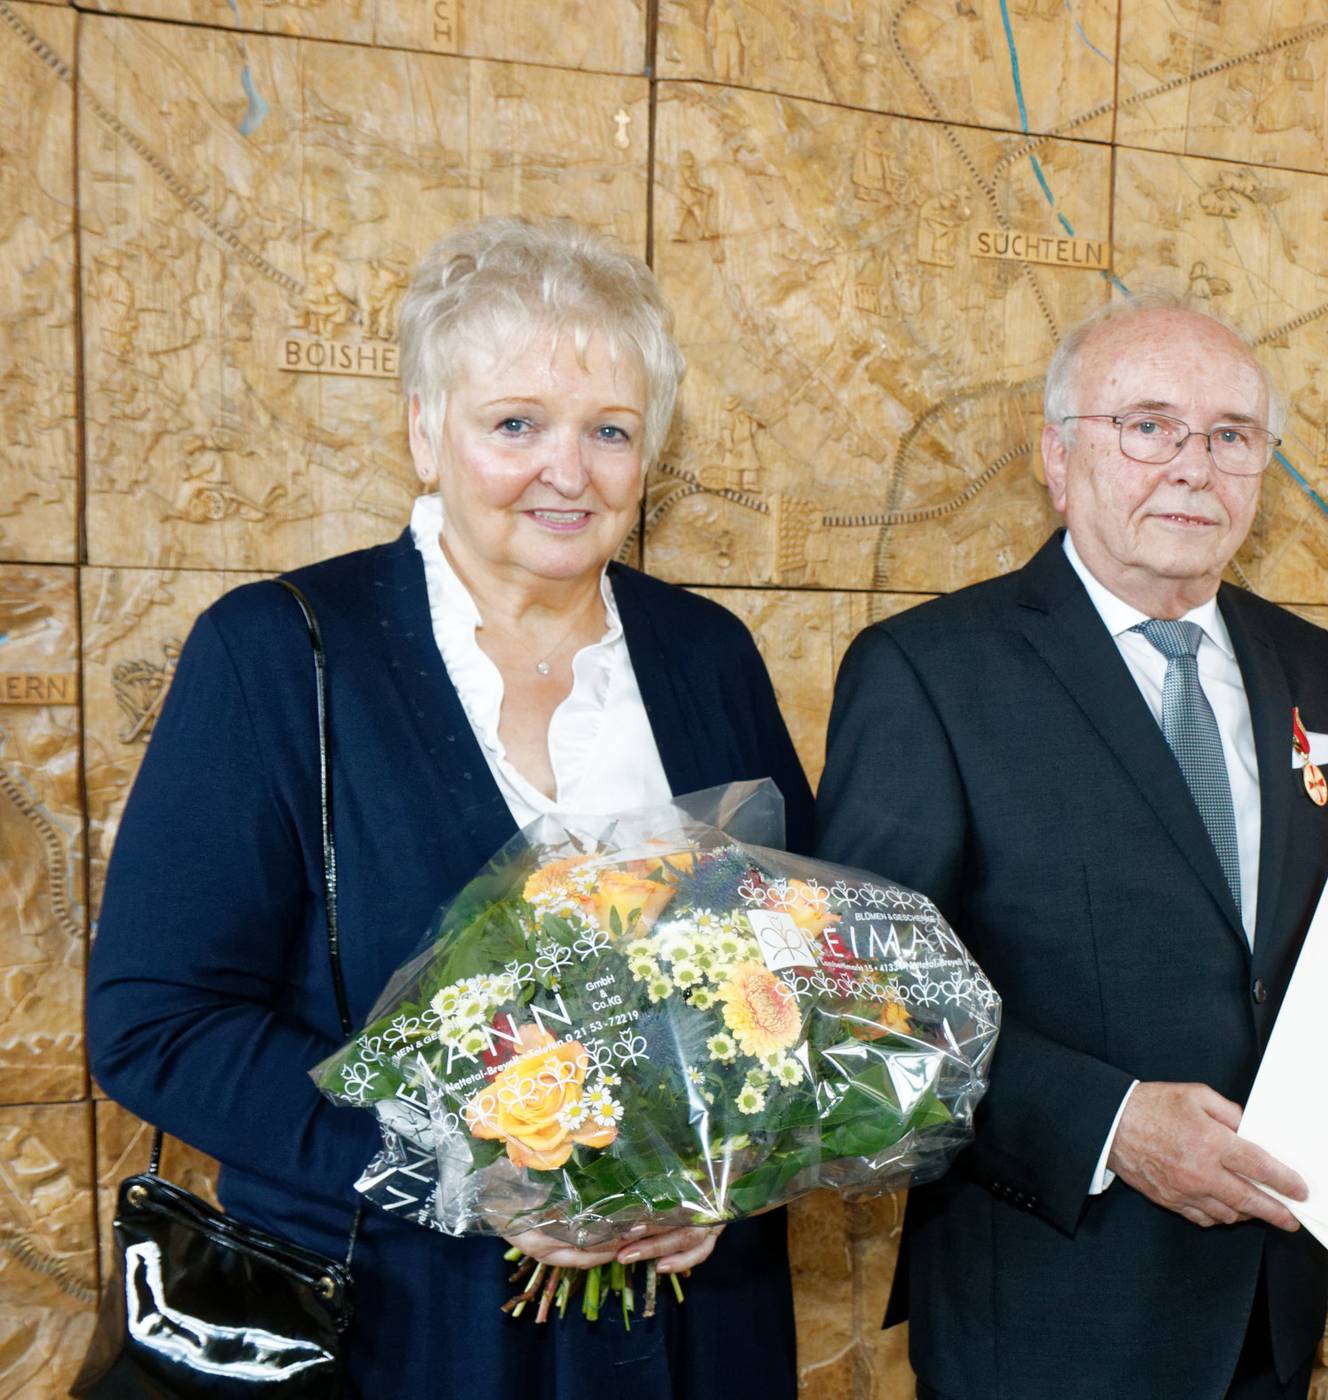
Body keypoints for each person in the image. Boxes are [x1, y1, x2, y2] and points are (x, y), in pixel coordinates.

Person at [87, 217, 808, 1397]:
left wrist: (734, 1168)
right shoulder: (279, 656)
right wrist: (468, 1165)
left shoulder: (706, 654)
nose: (567, 470)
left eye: (610, 431)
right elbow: (156, 1023)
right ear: (425, 429)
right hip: (396, 1327)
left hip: (691, 1330)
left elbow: (794, 969)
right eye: (515, 423)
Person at [815, 292, 1328, 1400]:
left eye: (1231, 436)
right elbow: (867, 1002)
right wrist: (1114, 1123)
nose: (1193, 466)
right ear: (1057, 455)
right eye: (1149, 425)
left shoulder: (1305, 661)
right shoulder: (929, 671)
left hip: (1267, 1301)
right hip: (1052, 1309)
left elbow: (1298, 946)